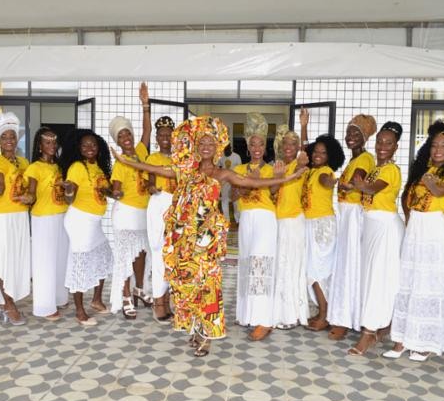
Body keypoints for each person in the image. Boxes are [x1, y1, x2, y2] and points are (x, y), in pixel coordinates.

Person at [110, 115, 306, 357]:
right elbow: (154, 168)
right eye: (201, 143)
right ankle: (195, 327)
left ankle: (206, 334)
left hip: (209, 239)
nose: (205, 147)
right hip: (185, 239)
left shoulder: (222, 173)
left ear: (217, 148)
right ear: (195, 145)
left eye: (211, 144)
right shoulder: (184, 170)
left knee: (208, 287)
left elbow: (254, 183)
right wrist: (125, 161)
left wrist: (289, 177)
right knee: (188, 285)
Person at [384, 120, 444, 361]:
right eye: (434, 145)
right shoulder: (422, 169)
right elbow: (407, 198)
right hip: (415, 228)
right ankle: (401, 339)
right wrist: (409, 218)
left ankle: (426, 341)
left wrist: (430, 180)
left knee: (429, 284)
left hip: (434, 230)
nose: (438, 150)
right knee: (408, 282)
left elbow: (440, 191)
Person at [347, 121, 405, 356]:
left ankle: (369, 332)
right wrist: (356, 185)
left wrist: (358, 185)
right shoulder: (375, 168)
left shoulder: (391, 170)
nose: (382, 146)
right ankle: (381, 325)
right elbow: (359, 187)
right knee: (371, 279)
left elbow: (369, 189)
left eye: (388, 143)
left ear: (395, 147)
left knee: (380, 280)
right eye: (379, 142)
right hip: (371, 225)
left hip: (385, 228)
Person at [327, 114, 377, 340]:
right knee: (344, 265)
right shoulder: (353, 159)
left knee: (350, 266)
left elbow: (355, 183)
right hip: (346, 215)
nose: (350, 137)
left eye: (356, 133)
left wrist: (339, 183)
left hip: (355, 216)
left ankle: (347, 319)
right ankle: (341, 315)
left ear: (365, 137)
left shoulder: (365, 159)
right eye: (348, 132)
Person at [59, 129, 114, 325]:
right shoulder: (77, 167)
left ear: (98, 148)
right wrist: (68, 191)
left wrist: (115, 192)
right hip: (80, 220)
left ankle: (97, 300)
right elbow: (70, 197)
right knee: (80, 264)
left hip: (94, 222)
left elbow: (105, 192)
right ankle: (80, 311)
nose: (89, 148)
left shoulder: (98, 168)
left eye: (93, 145)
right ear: (79, 149)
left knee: (104, 255)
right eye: (85, 145)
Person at [298, 109, 346, 332]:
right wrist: (304, 126)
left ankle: (325, 315)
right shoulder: (308, 170)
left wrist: (331, 181)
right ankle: (321, 311)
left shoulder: (326, 171)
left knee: (318, 271)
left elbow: (329, 181)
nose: (317, 155)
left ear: (330, 157)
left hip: (322, 226)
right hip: (309, 223)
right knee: (312, 270)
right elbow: (303, 148)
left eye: (323, 153)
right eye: (315, 151)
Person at [232, 113, 278, 341]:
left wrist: (271, 180)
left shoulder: (271, 170)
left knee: (261, 265)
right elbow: (232, 195)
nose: (257, 148)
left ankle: (264, 320)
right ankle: (248, 313)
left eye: (261, 143)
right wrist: (245, 186)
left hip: (265, 220)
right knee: (248, 264)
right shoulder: (239, 170)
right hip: (246, 221)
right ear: (247, 147)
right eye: (253, 144)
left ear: (265, 146)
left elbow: (274, 195)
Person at [109, 82, 152, 319]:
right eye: (121, 135)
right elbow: (116, 188)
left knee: (141, 253)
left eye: (128, 133)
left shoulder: (142, 152)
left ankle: (138, 288)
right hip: (125, 213)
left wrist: (145, 104)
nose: (126, 137)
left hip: (143, 213)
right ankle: (125, 295)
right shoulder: (120, 163)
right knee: (126, 256)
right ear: (117, 141)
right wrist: (115, 192)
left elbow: (147, 131)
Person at [0, 112, 31, 326]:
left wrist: (30, 197)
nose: (9, 140)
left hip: (20, 216)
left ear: (17, 138)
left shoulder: (23, 162)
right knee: (2, 261)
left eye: (12, 136)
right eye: (4, 137)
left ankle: (7, 301)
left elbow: (31, 188)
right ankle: (8, 303)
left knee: (15, 260)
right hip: (2, 217)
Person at [24, 127, 70, 320]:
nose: (52, 146)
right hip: (43, 219)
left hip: (62, 217)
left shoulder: (59, 167)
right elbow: (32, 192)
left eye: (54, 142)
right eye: (47, 143)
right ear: (40, 146)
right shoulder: (34, 167)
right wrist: (28, 197)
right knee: (45, 263)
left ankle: (59, 298)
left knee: (60, 260)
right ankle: (44, 306)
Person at [269, 124, 310, 330]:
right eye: (285, 143)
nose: (289, 147)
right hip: (278, 221)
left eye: (293, 144)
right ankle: (279, 312)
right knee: (280, 265)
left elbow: (306, 152)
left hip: (294, 221)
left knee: (292, 265)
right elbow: (273, 191)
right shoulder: (276, 166)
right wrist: (277, 176)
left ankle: (292, 314)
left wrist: (304, 126)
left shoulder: (299, 165)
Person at [146, 116, 177, 321]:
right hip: (158, 204)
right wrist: (153, 188)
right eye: (162, 135)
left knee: (173, 255)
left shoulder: (180, 158)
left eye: (169, 135)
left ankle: (168, 300)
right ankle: (158, 301)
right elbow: (149, 184)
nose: (165, 138)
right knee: (158, 252)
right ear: (157, 138)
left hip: (177, 206)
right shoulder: (152, 159)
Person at [218, 144, 242, 224]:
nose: (226, 151)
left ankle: (238, 219)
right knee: (224, 201)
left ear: (231, 148)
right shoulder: (221, 157)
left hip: (234, 181)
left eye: (227, 149)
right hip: (225, 182)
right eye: (224, 150)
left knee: (236, 201)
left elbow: (240, 170)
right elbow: (218, 168)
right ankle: (226, 220)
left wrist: (238, 183)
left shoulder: (236, 157)